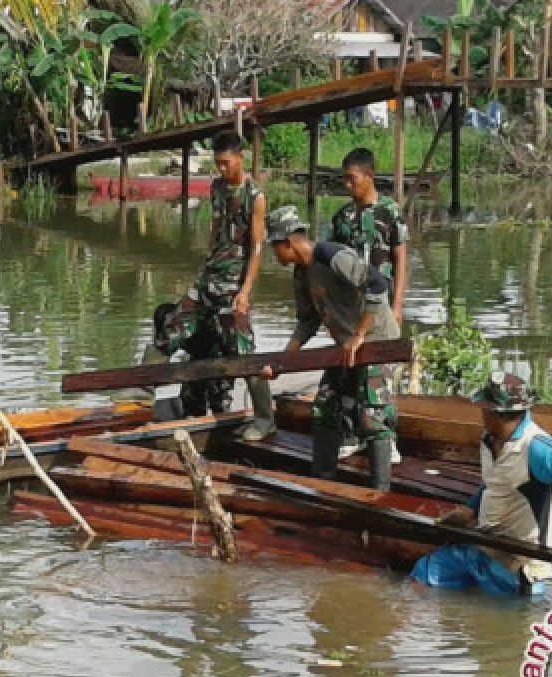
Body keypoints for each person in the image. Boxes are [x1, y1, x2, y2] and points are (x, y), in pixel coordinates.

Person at [411, 373, 552, 597]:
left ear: (494, 412)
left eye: (483, 408)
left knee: (509, 626)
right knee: (422, 578)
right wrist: (469, 511)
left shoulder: (535, 447)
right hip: (480, 547)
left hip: (517, 566)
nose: (481, 413)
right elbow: (494, 482)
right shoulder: (490, 440)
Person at [261, 205, 399, 489]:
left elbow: (377, 285)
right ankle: (322, 480)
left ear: (288, 242)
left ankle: (380, 492)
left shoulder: (333, 256)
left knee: (372, 416)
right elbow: (307, 322)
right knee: (325, 408)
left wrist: (360, 334)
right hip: (346, 347)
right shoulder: (301, 274)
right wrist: (285, 360)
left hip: (377, 341)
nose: (274, 255)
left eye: (275, 248)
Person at [154, 131, 275, 441]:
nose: (222, 169)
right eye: (217, 164)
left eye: (226, 163)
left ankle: (264, 418)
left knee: (242, 350)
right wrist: (204, 266)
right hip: (209, 277)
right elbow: (215, 227)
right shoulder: (217, 188)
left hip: (234, 284)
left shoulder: (254, 196)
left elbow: (257, 248)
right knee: (172, 325)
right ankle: (136, 393)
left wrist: (245, 292)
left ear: (240, 158)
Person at [330, 147, 409, 324]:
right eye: (345, 178)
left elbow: (401, 260)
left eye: (352, 179)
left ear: (369, 176)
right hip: (350, 303)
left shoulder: (390, 212)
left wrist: (397, 306)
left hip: (382, 301)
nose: (347, 185)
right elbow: (333, 263)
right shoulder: (342, 217)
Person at [153, 301, 232, 417]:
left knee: (218, 400)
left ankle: (222, 422)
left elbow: (169, 346)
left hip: (218, 359)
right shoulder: (177, 326)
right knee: (191, 400)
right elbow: (164, 349)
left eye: (170, 326)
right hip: (197, 360)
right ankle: (195, 416)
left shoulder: (188, 322)